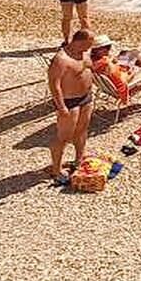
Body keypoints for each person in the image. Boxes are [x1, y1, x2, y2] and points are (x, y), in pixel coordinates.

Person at [45, 30, 97, 181]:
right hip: (69, 101)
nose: (89, 48)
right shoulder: (61, 59)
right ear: (79, 41)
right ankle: (56, 170)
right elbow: (54, 85)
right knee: (64, 137)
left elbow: (90, 68)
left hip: (85, 97)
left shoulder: (84, 54)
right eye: (88, 44)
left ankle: (78, 159)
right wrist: (61, 107)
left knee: (82, 131)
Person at [88, 35, 141, 107]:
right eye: (106, 48)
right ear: (96, 50)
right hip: (124, 87)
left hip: (110, 85)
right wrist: (131, 71)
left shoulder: (92, 61)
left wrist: (114, 61)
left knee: (129, 53)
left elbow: (112, 71)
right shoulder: (106, 63)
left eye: (109, 47)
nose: (108, 49)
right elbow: (122, 80)